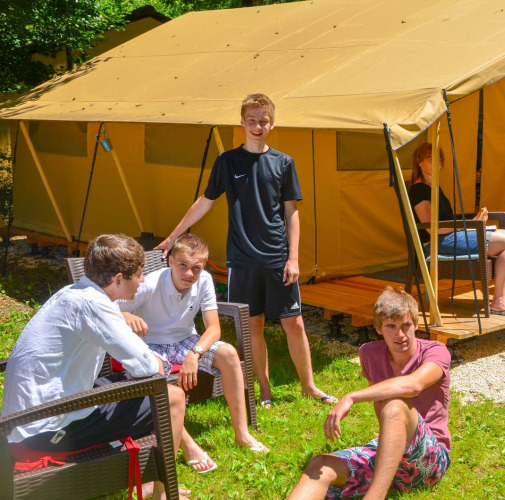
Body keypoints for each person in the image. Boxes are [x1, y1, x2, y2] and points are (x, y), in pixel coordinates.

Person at [156, 93, 335, 410]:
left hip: (277, 258)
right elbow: (206, 201)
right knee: (252, 326)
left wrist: (293, 258)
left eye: (263, 121)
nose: (257, 126)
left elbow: (292, 212)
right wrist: (173, 235)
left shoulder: (283, 163)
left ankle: (309, 386)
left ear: (272, 123)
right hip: (241, 260)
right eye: (251, 120)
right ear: (242, 122)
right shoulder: (228, 162)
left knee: (294, 323)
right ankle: (264, 391)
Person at [1, 234, 189, 500]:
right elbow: (150, 368)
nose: (143, 280)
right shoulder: (94, 305)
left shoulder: (72, 294)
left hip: (28, 419)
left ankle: (163, 470)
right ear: (118, 279)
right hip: (44, 430)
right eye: (139, 274)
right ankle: (162, 491)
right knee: (173, 398)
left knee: (131, 382)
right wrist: (156, 362)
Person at [119, 233, 269, 465]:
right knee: (153, 368)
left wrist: (195, 353)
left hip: (186, 340)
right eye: (183, 265)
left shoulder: (205, 280)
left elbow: (214, 329)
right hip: (151, 342)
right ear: (170, 261)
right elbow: (111, 309)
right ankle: (187, 444)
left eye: (196, 268)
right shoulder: (149, 284)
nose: (190, 274)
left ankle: (242, 434)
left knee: (228, 353)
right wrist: (127, 315)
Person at [287, 287, 451, 499]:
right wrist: (390, 435)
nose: (400, 335)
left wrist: (351, 396)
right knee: (321, 464)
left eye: (406, 325)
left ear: (416, 324)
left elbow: (413, 386)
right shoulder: (369, 353)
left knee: (395, 405)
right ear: (378, 328)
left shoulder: (436, 350)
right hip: (387, 453)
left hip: (430, 459)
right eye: (391, 326)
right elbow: (379, 404)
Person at [407, 142, 505, 316]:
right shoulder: (418, 190)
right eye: (431, 159)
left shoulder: (434, 188)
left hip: (450, 236)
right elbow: (431, 227)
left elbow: (447, 221)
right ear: (419, 162)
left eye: (439, 159)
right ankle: (498, 301)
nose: (436, 162)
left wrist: (472, 221)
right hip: (436, 243)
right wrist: (466, 225)